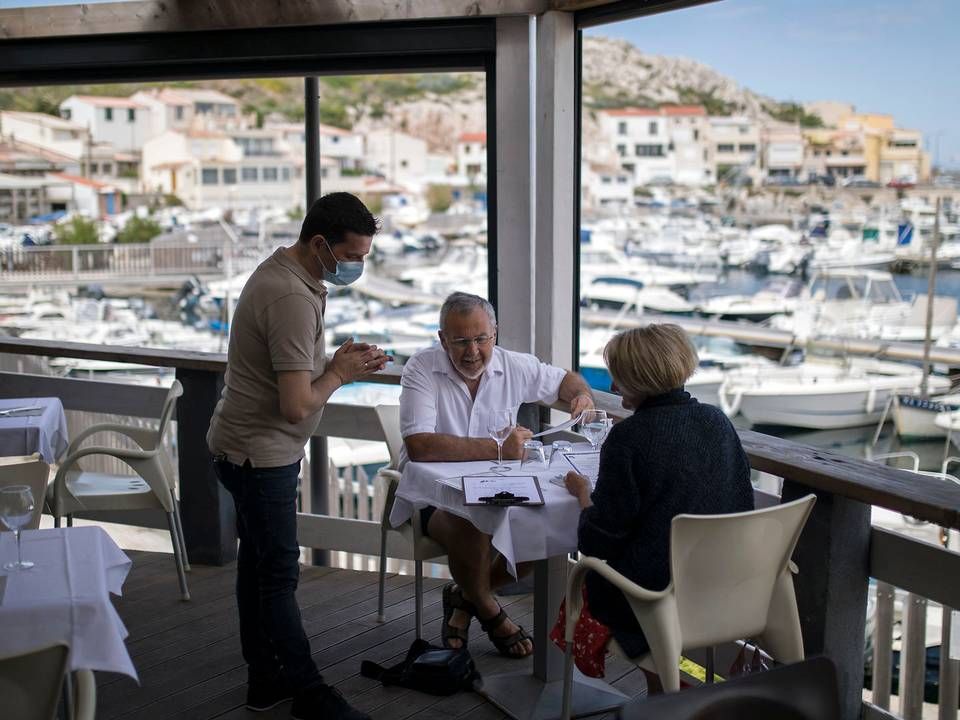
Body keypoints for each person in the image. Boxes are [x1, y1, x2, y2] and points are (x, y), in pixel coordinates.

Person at [207, 192, 389, 720]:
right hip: (258, 455)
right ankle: (309, 693)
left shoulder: (293, 277)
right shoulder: (289, 296)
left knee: (258, 569)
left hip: (244, 447)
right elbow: (295, 405)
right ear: (319, 244)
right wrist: (340, 374)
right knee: (278, 577)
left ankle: (264, 680)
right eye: (352, 256)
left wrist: (334, 362)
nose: (357, 266)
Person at [399, 291, 595, 658]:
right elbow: (420, 446)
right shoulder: (421, 368)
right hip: (431, 498)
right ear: (442, 339)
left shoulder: (513, 365)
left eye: (480, 339)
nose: (472, 351)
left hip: (500, 491)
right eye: (460, 341)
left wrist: (581, 395)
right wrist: (498, 449)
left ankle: (466, 597)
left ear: (495, 334)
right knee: (469, 521)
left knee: (545, 528)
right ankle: (490, 613)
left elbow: (565, 381)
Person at [559, 324, 753, 675]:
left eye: (619, 378)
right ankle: (663, 696)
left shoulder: (629, 438)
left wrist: (583, 494)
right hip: (727, 589)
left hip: (654, 599)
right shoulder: (718, 421)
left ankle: (656, 695)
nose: (614, 387)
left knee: (586, 583)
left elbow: (597, 541)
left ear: (641, 380)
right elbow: (740, 502)